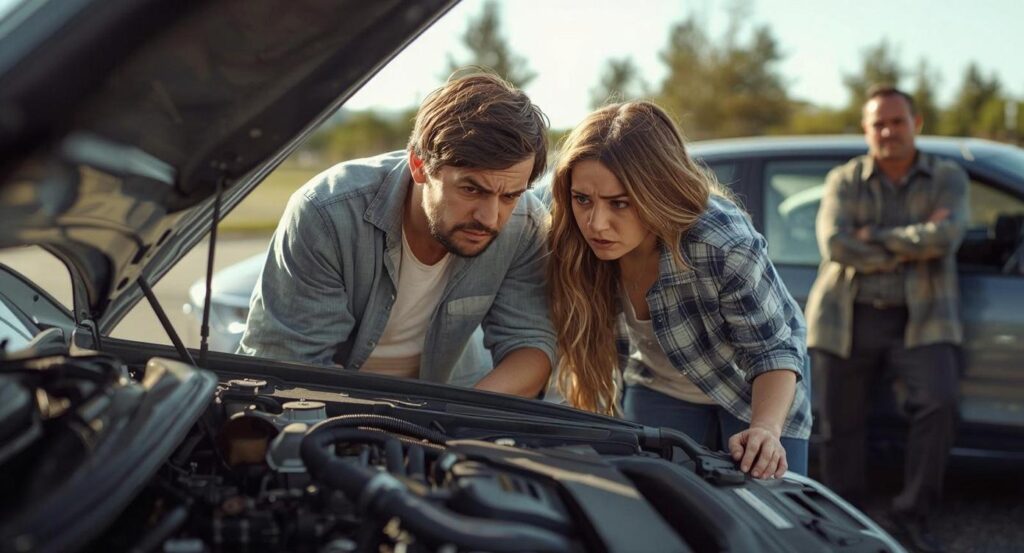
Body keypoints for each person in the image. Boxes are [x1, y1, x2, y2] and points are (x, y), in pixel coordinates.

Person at [238, 73, 555, 397]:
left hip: (451, 399)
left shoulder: (524, 224)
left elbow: (531, 346)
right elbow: (293, 363)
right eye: (471, 189)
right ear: (419, 164)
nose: (490, 218)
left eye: (510, 196)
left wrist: (450, 416)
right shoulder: (327, 213)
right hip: (327, 404)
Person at [547, 101, 811, 478]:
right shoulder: (570, 241)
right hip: (660, 385)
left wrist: (766, 430)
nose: (596, 224)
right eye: (583, 199)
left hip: (757, 387)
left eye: (620, 203)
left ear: (658, 192)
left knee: (762, 502)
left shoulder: (722, 243)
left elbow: (771, 350)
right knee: (651, 493)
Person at [806, 85, 967, 553]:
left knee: (939, 404)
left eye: (898, 122)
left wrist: (873, 237)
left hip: (922, 316)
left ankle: (911, 513)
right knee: (839, 423)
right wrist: (915, 243)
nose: (888, 131)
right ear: (866, 129)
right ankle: (844, 518)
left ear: (916, 124)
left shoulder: (947, 177)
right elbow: (836, 245)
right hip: (847, 315)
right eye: (879, 123)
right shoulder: (844, 179)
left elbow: (947, 237)